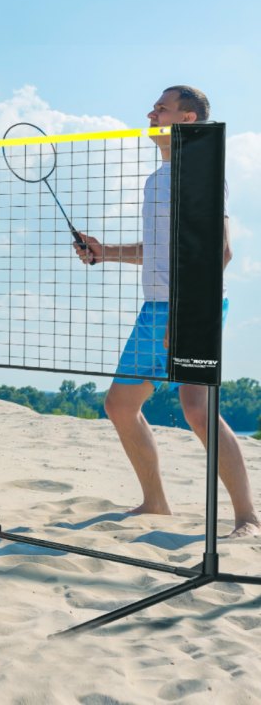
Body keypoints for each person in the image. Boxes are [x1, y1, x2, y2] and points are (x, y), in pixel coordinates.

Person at [74, 86, 260, 539]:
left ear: (188, 119)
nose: (150, 112)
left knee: (197, 409)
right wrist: (105, 253)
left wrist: (185, 311)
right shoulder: (158, 178)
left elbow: (221, 252)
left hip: (192, 305)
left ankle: (248, 519)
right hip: (156, 305)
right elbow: (160, 252)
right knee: (120, 406)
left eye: (162, 108)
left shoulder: (200, 171)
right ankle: (155, 503)